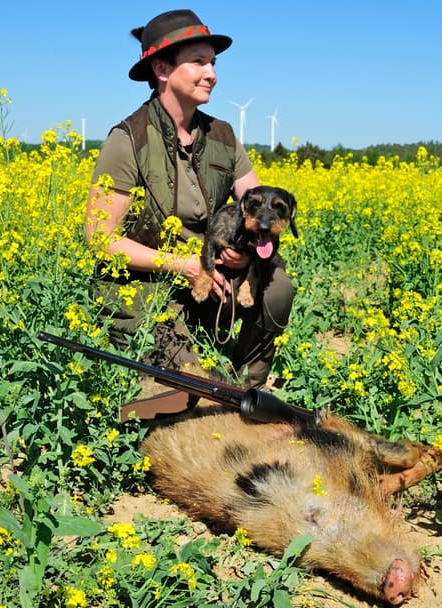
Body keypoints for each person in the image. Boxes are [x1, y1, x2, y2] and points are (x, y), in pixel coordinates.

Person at [85, 9, 295, 389]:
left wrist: (248, 251)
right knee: (188, 385)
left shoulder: (224, 136)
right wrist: (180, 264)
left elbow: (258, 204)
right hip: (147, 283)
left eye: (213, 62)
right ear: (162, 69)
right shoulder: (128, 139)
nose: (212, 72)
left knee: (278, 285)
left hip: (212, 275)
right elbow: (100, 239)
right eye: (198, 62)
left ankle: (250, 384)